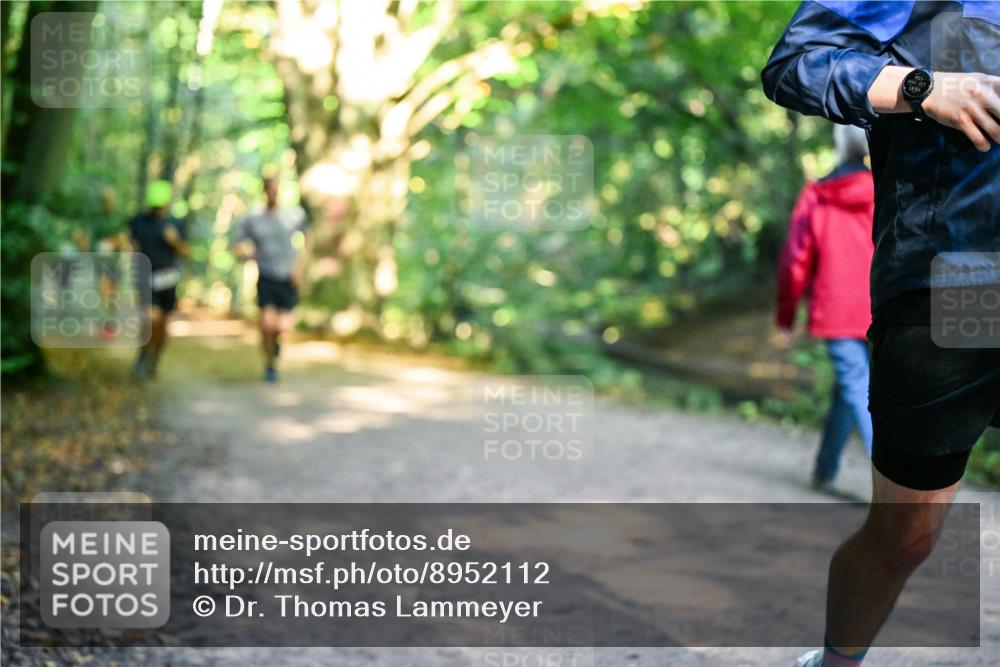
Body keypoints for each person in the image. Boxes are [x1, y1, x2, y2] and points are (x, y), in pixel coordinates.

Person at [763, 2, 1000, 666]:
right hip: (960, 274)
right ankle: (837, 661)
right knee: (907, 532)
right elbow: (793, 66)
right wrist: (924, 89)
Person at [776, 123, 875, 488]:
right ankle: (825, 469)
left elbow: (794, 262)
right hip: (884, 307)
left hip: (837, 309)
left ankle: (893, 489)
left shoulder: (817, 194)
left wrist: (787, 315)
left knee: (855, 386)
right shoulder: (889, 189)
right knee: (851, 387)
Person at [233, 175, 308, 383]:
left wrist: (298, 268)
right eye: (270, 190)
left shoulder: (294, 215)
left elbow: (307, 241)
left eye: (277, 189)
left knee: (282, 326)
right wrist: (247, 255)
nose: (274, 193)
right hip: (266, 276)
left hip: (287, 278)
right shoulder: (254, 218)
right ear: (265, 191)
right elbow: (238, 243)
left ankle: (276, 344)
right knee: (267, 323)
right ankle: (269, 365)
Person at [129, 179, 189, 378]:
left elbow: (185, 252)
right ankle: (142, 353)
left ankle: (154, 360)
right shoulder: (138, 221)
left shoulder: (175, 223)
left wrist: (174, 241)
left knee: (162, 322)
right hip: (144, 275)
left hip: (167, 278)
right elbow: (129, 244)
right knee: (149, 317)